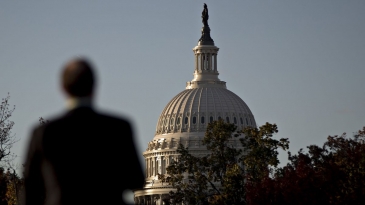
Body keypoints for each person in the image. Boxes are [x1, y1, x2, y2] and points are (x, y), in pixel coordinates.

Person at [23, 57, 144, 205]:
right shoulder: (119, 127)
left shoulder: (45, 132)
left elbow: (30, 190)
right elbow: (136, 181)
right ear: (94, 86)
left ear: (62, 88)